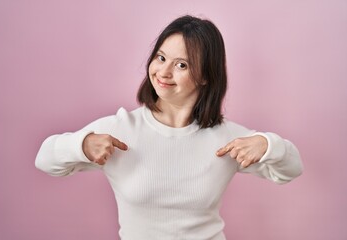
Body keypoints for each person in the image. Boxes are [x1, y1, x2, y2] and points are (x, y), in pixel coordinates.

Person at [35, 15, 303, 240]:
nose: (163, 72)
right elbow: (45, 160)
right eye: (161, 58)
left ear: (206, 76)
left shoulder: (226, 137)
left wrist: (269, 145)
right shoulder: (120, 129)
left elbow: (291, 170)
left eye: (181, 65)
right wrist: (81, 145)